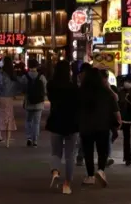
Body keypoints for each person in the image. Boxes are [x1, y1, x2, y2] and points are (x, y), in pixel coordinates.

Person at [78, 68, 121, 187]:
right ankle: (101, 170)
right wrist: (118, 121)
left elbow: (76, 109)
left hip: (86, 126)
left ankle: (90, 176)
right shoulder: (106, 92)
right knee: (102, 150)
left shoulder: (81, 92)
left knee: (88, 152)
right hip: (103, 125)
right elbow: (114, 107)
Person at [46, 60, 79, 195]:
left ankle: (55, 171)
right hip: (71, 123)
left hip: (56, 121)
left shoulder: (51, 85)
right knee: (70, 155)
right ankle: (67, 184)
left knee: (56, 152)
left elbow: (52, 100)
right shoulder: (73, 87)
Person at [0, 57, 21, 148]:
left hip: (1, 96)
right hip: (9, 97)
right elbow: (17, 85)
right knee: (9, 117)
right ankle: (7, 142)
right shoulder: (12, 73)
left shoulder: (0, 72)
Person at [23, 59, 47, 147]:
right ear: (37, 66)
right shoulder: (41, 77)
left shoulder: (25, 76)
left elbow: (23, 88)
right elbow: (45, 89)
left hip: (28, 101)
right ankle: (35, 140)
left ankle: (29, 137)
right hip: (39, 103)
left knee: (28, 120)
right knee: (37, 122)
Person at [75, 62, 92, 166]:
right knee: (87, 136)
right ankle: (82, 156)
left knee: (83, 135)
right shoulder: (93, 79)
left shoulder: (78, 78)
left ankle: (81, 156)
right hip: (90, 111)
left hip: (82, 111)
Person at [101, 69, 118, 166]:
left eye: (106, 77)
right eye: (104, 77)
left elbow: (116, 99)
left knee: (109, 136)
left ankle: (107, 157)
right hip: (98, 117)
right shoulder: (95, 89)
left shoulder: (111, 88)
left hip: (109, 118)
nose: (105, 79)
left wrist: (109, 89)